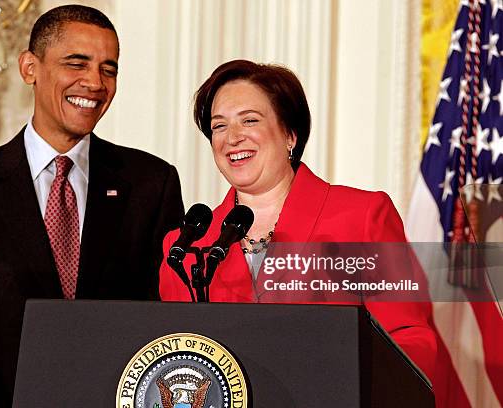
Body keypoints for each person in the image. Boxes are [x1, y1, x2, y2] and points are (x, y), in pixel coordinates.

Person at [0, 5, 184, 407]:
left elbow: (168, 320)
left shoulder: (152, 183)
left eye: (108, 69)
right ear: (30, 68)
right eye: (76, 63)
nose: (95, 83)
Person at [159, 59, 436, 381]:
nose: (232, 137)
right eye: (219, 126)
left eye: (249, 120)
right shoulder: (186, 245)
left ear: (290, 135)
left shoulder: (362, 217)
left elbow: (409, 339)